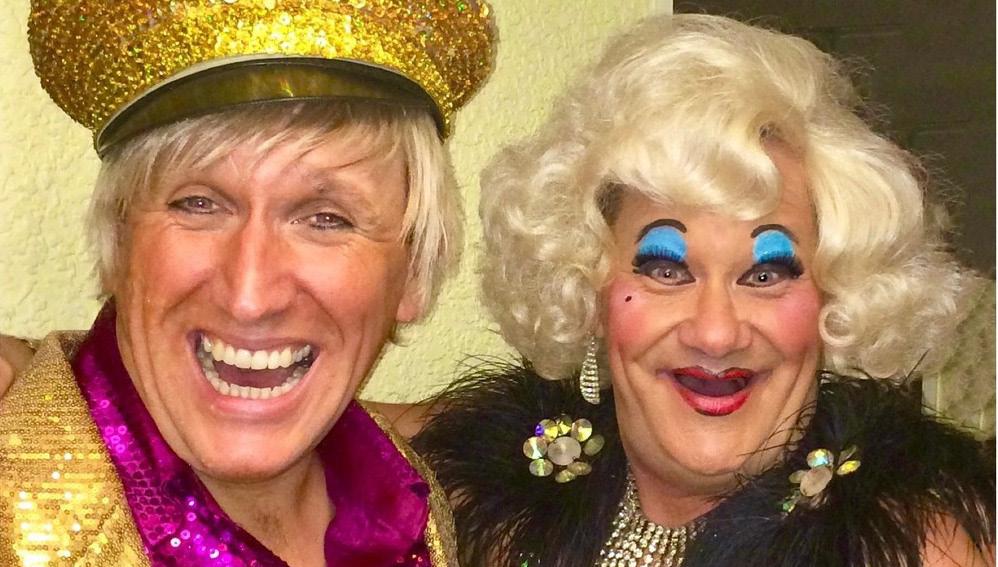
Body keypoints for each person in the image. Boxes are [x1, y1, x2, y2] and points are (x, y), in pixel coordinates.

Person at [412, 13, 994, 567]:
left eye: (765, 276)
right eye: (667, 271)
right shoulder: (474, 514)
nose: (716, 333)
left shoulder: (915, 550)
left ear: (837, 299)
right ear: (587, 285)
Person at [0, 1, 494, 565]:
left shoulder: (425, 500)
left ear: (413, 274)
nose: (250, 297)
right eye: (198, 204)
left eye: (326, 219)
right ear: (118, 243)